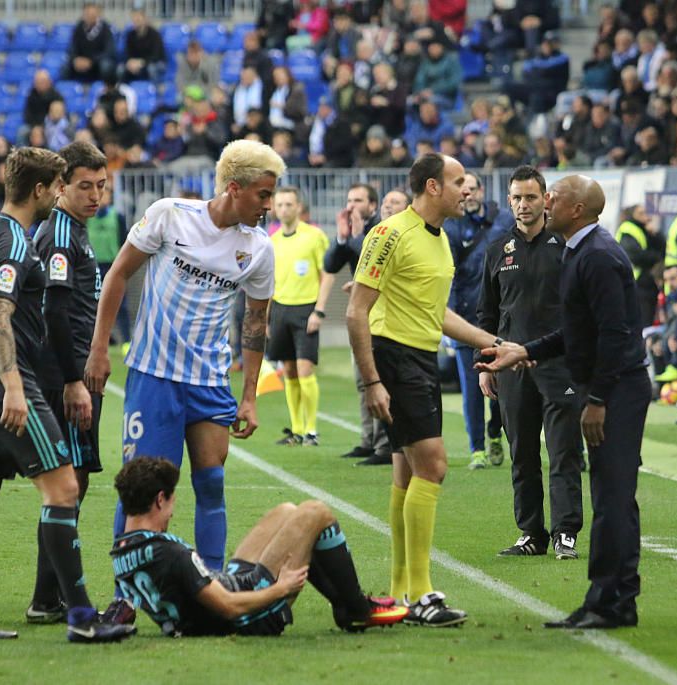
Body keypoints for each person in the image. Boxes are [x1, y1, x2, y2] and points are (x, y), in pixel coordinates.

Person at [0, 146, 134, 643]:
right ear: (41, 189)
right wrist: (15, 386)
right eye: (59, 185)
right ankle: (78, 617)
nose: (62, 193)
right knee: (64, 489)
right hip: (9, 383)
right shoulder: (13, 240)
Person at [85, 140, 284, 574]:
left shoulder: (259, 248)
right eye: (263, 195)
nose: (269, 205)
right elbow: (118, 274)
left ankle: (212, 584)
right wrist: (99, 349)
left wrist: (248, 396)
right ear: (234, 188)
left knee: (211, 484)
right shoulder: (170, 214)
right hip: (153, 375)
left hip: (210, 381)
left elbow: (256, 322)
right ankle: (127, 593)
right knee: (142, 489)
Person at [477, 174, 649, 630]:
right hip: (600, 384)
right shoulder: (581, 250)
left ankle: (611, 601)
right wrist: (523, 350)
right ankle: (606, 598)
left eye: (552, 196)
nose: (544, 201)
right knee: (609, 495)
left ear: (576, 209)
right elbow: (576, 332)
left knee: (612, 496)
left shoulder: (599, 257)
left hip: (615, 389)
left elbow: (614, 336)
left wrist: (596, 399)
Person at [347, 153, 506, 625]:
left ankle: (400, 592)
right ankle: (421, 595)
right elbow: (357, 311)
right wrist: (373, 379)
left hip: (417, 357)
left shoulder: (441, 240)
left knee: (406, 475)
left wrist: (494, 343)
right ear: (433, 187)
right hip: (395, 357)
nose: (468, 190)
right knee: (434, 467)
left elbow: (438, 314)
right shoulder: (389, 233)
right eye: (459, 182)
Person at [111, 457, 408, 636]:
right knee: (315, 512)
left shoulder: (121, 551)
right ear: (160, 499)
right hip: (252, 615)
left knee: (287, 511)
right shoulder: (172, 553)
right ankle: (356, 608)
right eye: (172, 503)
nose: (172, 512)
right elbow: (227, 607)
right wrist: (282, 588)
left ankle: (345, 606)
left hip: (223, 593)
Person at [477, 166, 585, 560]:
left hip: (561, 367)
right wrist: (485, 363)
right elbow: (486, 315)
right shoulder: (496, 252)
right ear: (509, 201)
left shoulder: (567, 248)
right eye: (517, 198)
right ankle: (531, 533)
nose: (524, 205)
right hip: (511, 370)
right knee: (522, 453)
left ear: (546, 200)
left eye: (531, 197)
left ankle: (566, 532)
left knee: (563, 451)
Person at [25, 141, 109, 623]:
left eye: (100, 185)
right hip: (64, 375)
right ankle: (47, 597)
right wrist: (74, 380)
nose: (95, 195)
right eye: (84, 186)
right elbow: (54, 310)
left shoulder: (72, 229)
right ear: (60, 187)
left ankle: (48, 594)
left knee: (71, 481)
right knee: (67, 483)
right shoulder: (59, 234)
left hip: (73, 369)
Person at [321, 184, 389, 464]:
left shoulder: (381, 229)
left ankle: (385, 447)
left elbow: (371, 259)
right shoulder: (353, 231)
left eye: (358, 200)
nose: (351, 205)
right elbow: (330, 265)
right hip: (361, 315)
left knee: (377, 378)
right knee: (363, 381)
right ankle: (368, 440)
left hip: (381, 316)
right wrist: (341, 236)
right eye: (349, 199)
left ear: (372, 205)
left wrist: (358, 236)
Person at [443, 172, 507, 470]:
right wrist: (450, 320)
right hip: (468, 320)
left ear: (481, 191)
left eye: (471, 189)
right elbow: (450, 275)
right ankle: (477, 449)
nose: (467, 195)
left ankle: (496, 430)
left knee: (501, 387)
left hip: (501, 318)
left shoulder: (503, 221)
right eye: (462, 190)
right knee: (471, 388)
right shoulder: (452, 226)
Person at [268, 187, 331, 447]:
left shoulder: (314, 236)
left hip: (306, 310)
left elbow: (326, 274)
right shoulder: (272, 241)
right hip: (281, 309)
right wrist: (266, 317)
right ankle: (296, 429)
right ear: (274, 207)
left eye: (289, 204)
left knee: (305, 368)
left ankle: (311, 430)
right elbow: (269, 282)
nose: (284, 209)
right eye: (280, 204)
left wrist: (319, 310)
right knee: (289, 370)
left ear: (298, 207)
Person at [86, 184, 131, 343]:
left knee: (120, 305)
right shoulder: (88, 217)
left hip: (113, 266)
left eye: (107, 194)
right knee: (93, 305)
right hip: (93, 267)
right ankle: (94, 340)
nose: (104, 197)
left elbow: (124, 241)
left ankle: (126, 341)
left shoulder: (117, 216)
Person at [64, 2, 116, 83]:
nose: (89, 16)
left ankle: (104, 88)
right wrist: (76, 59)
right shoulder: (79, 27)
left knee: (106, 65)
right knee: (64, 66)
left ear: (98, 14)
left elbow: (109, 51)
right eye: (87, 13)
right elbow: (72, 47)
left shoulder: (105, 28)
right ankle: (68, 89)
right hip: (81, 61)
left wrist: (91, 60)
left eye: (92, 14)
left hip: (97, 62)